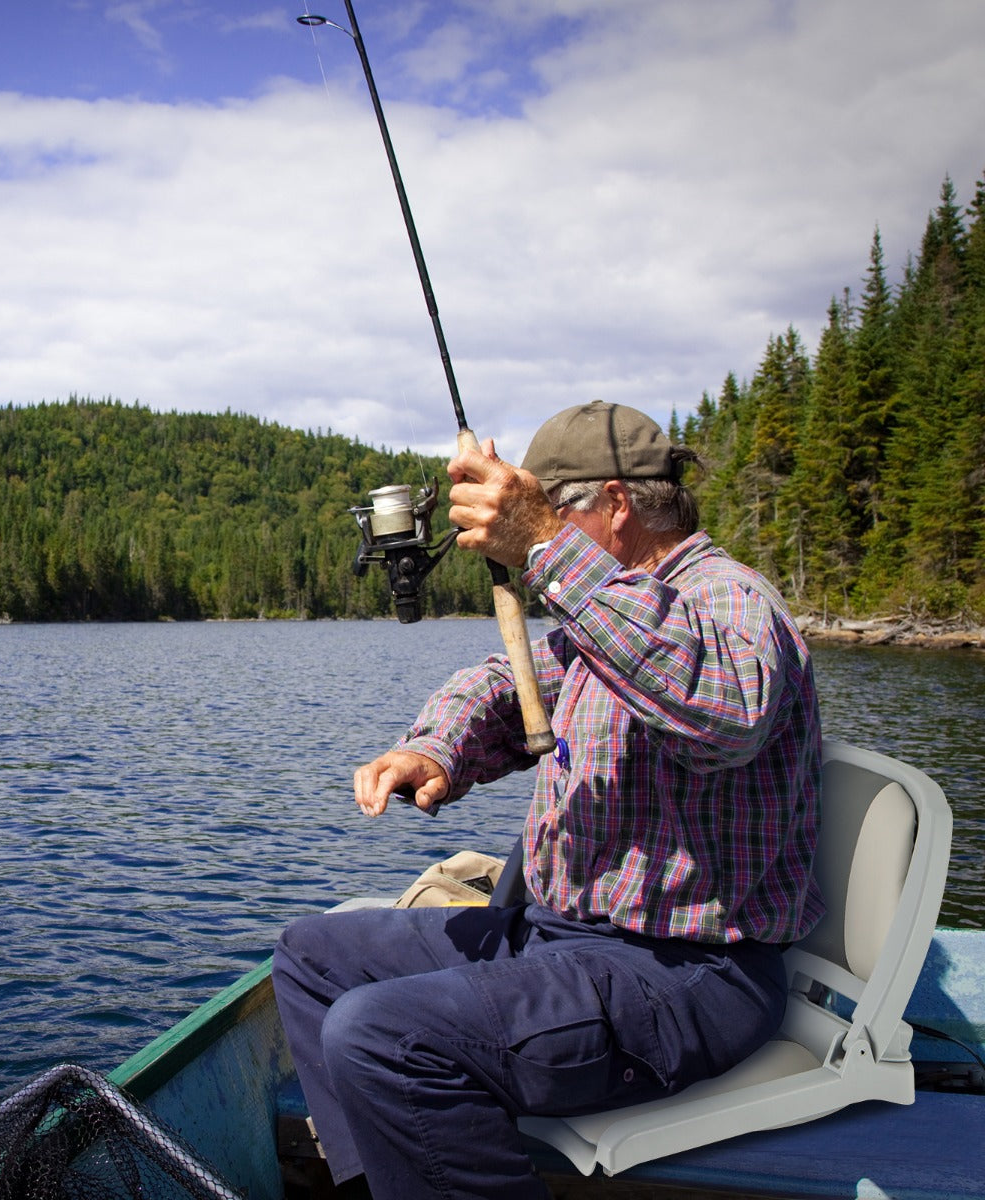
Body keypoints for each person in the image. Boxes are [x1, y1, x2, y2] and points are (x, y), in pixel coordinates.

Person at [272, 400, 824, 1200]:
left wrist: (539, 545)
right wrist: (434, 747)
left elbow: (725, 714)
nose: (536, 535)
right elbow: (510, 688)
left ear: (618, 503)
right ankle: (379, 1185)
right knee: (312, 953)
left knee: (381, 1034)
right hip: (555, 940)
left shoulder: (727, 599)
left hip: (687, 973)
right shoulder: (611, 611)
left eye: (555, 511)